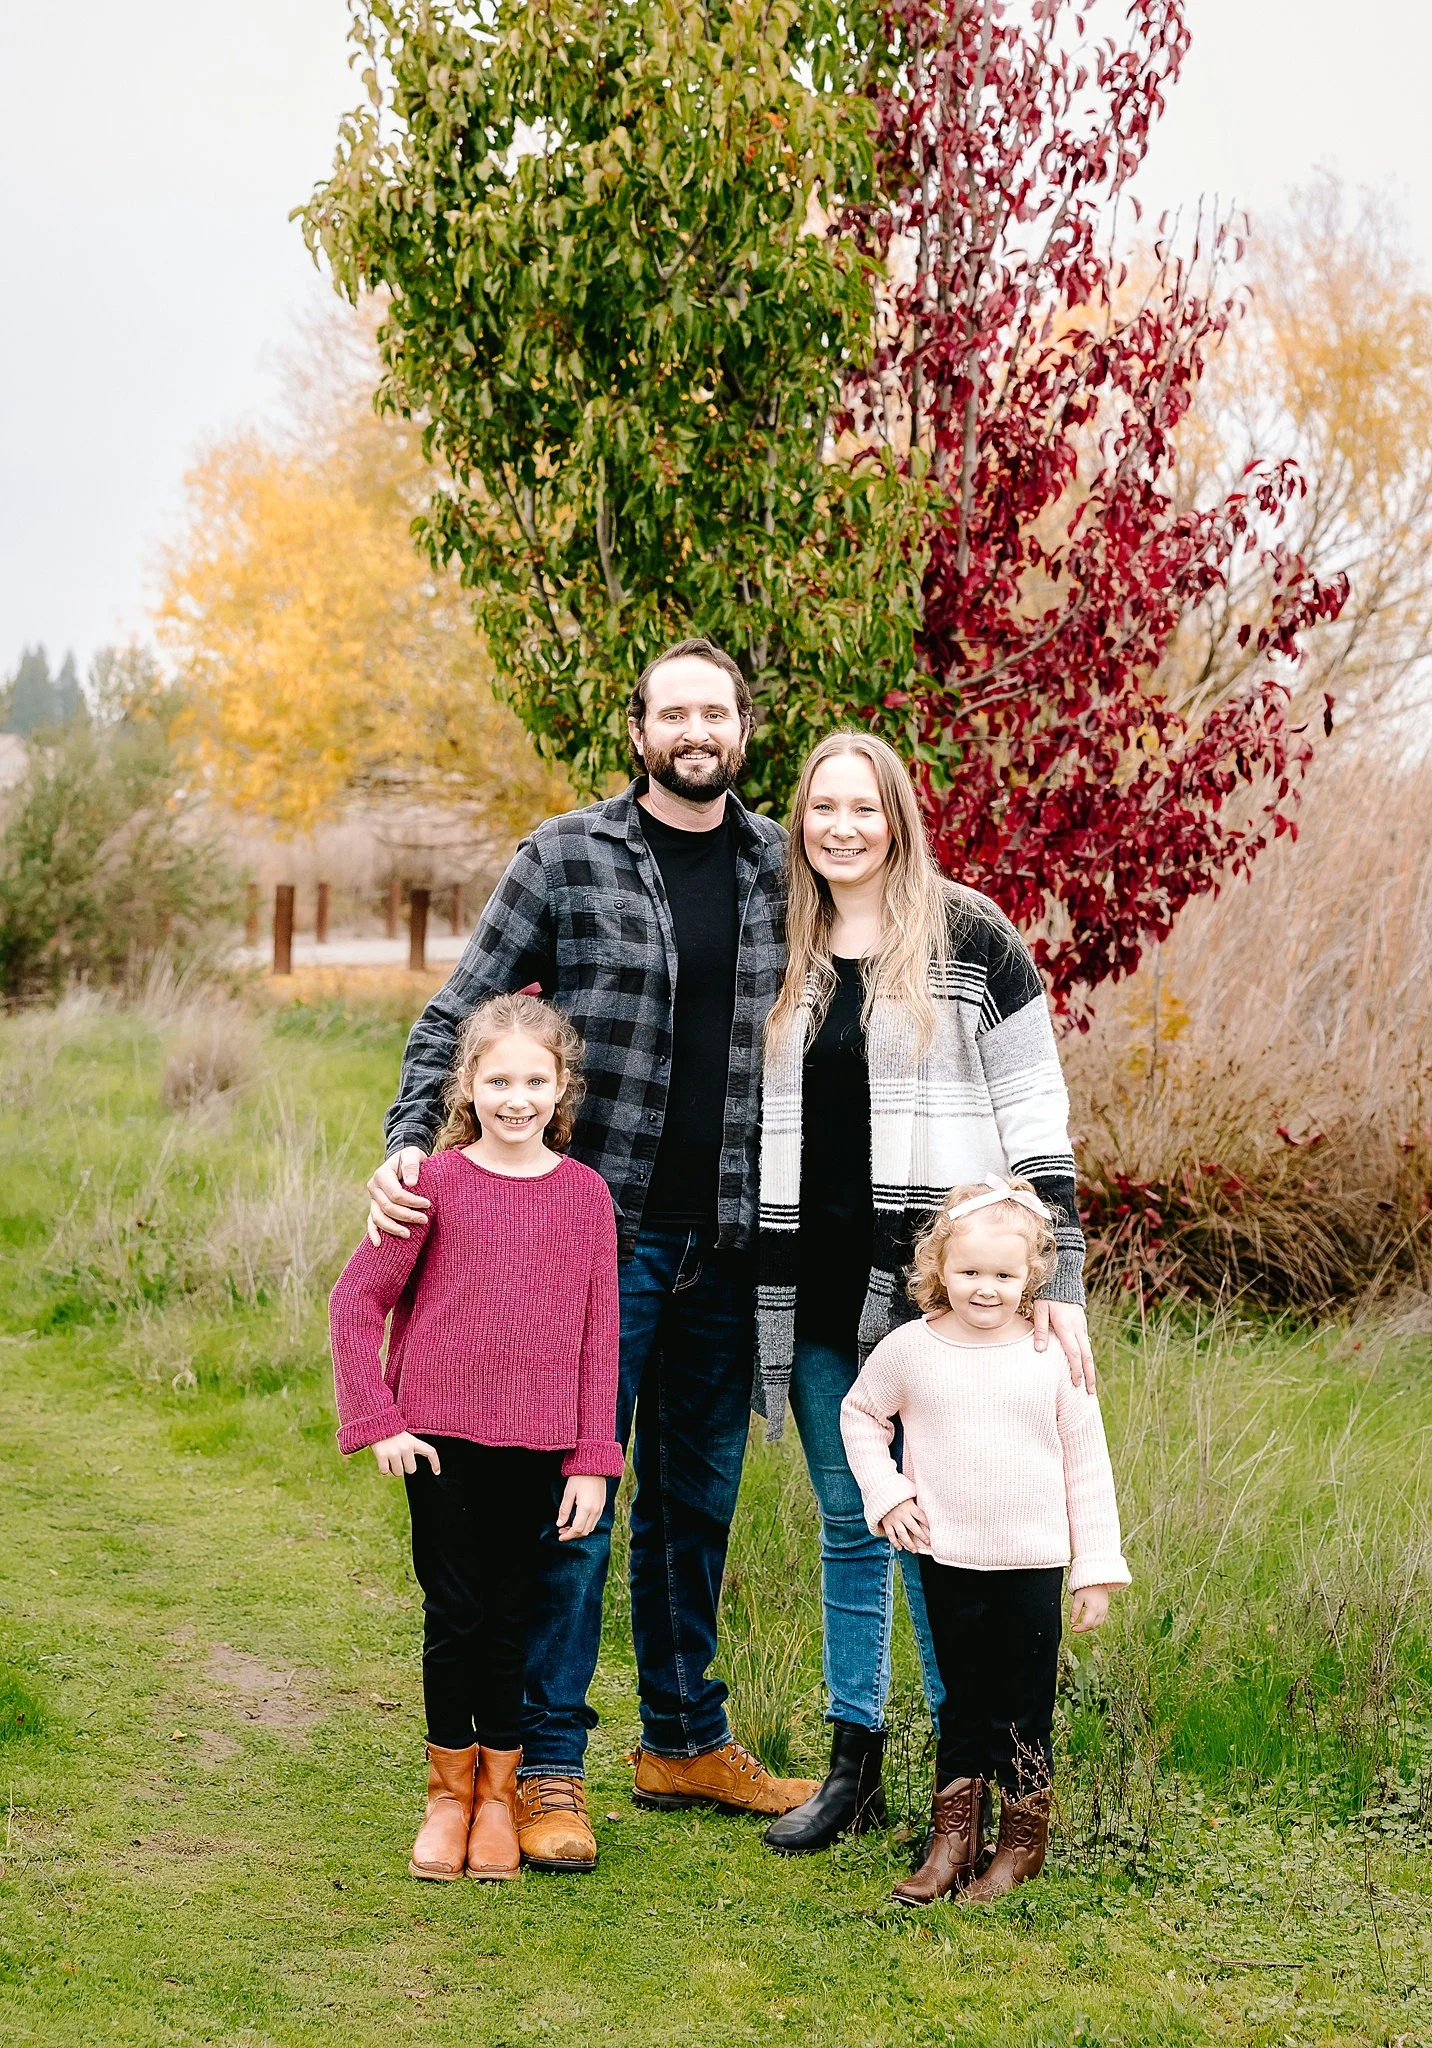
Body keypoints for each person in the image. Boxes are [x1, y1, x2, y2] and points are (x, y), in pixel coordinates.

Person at [364, 639, 815, 1875]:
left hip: (731, 1240)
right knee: (575, 1503)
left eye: (714, 709)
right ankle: (545, 1768)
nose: (695, 727)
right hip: (588, 1241)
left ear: (742, 726)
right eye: (673, 709)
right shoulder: (565, 854)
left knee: (696, 1507)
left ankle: (683, 1737)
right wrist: (411, 1143)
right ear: (639, 728)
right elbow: (461, 1009)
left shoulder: (786, 867)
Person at [756, 731, 1096, 1856]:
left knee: (950, 1540)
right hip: (811, 1281)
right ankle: (853, 1765)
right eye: (821, 807)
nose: (840, 826)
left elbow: (1036, 1108)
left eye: (863, 806)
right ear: (801, 818)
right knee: (857, 1523)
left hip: (942, 1291)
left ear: (896, 815)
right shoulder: (788, 944)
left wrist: (1066, 1278)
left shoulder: (969, 934)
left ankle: (979, 1781)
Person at [328, 993, 623, 1882]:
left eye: (536, 1079)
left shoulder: (585, 1198)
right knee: (456, 1618)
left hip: (538, 1450)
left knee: (514, 1622)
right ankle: (447, 1798)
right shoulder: (432, 1184)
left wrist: (592, 1462)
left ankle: (499, 1797)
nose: (517, 1097)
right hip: (441, 1446)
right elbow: (355, 1303)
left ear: (563, 1086)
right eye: (498, 1079)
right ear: (468, 1084)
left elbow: (598, 1340)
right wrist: (378, 1417)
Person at [840, 1176, 1129, 1905]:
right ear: (938, 1268)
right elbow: (861, 1415)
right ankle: (953, 1841)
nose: (986, 1289)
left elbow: (1087, 1464)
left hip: (1032, 1563)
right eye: (969, 1272)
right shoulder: (911, 1348)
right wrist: (889, 1494)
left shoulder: (1049, 1357)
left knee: (1023, 1705)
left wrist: (1094, 1568)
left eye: (1004, 1275)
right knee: (961, 1701)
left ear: (1032, 1273)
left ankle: (1020, 1845)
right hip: (948, 1557)